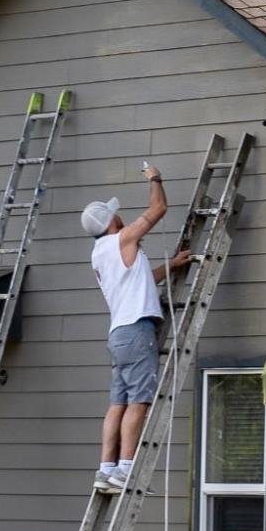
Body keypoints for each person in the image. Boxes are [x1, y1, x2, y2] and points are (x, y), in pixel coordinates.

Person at [80, 163, 191, 490]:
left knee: (118, 403)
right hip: (136, 330)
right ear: (111, 222)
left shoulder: (100, 253)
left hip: (119, 334)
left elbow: (139, 279)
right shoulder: (121, 240)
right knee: (139, 401)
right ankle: (126, 468)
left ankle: (106, 469)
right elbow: (158, 209)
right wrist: (155, 177)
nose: (120, 216)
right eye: (116, 214)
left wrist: (170, 266)